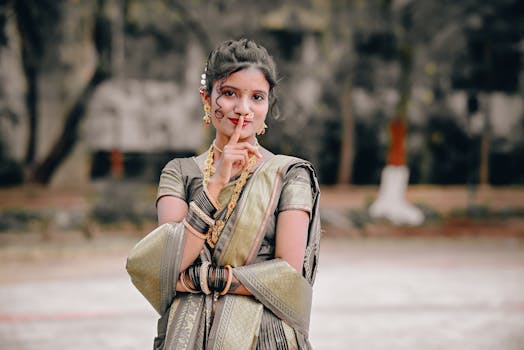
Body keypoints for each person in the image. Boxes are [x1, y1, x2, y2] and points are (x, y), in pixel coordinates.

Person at [127, 38, 321, 350]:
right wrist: (215, 183)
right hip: (187, 335)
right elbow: (167, 265)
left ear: (268, 105)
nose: (243, 109)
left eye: (257, 97)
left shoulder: (289, 175)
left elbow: (285, 277)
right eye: (229, 93)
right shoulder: (179, 172)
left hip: (265, 337)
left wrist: (202, 281)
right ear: (207, 97)